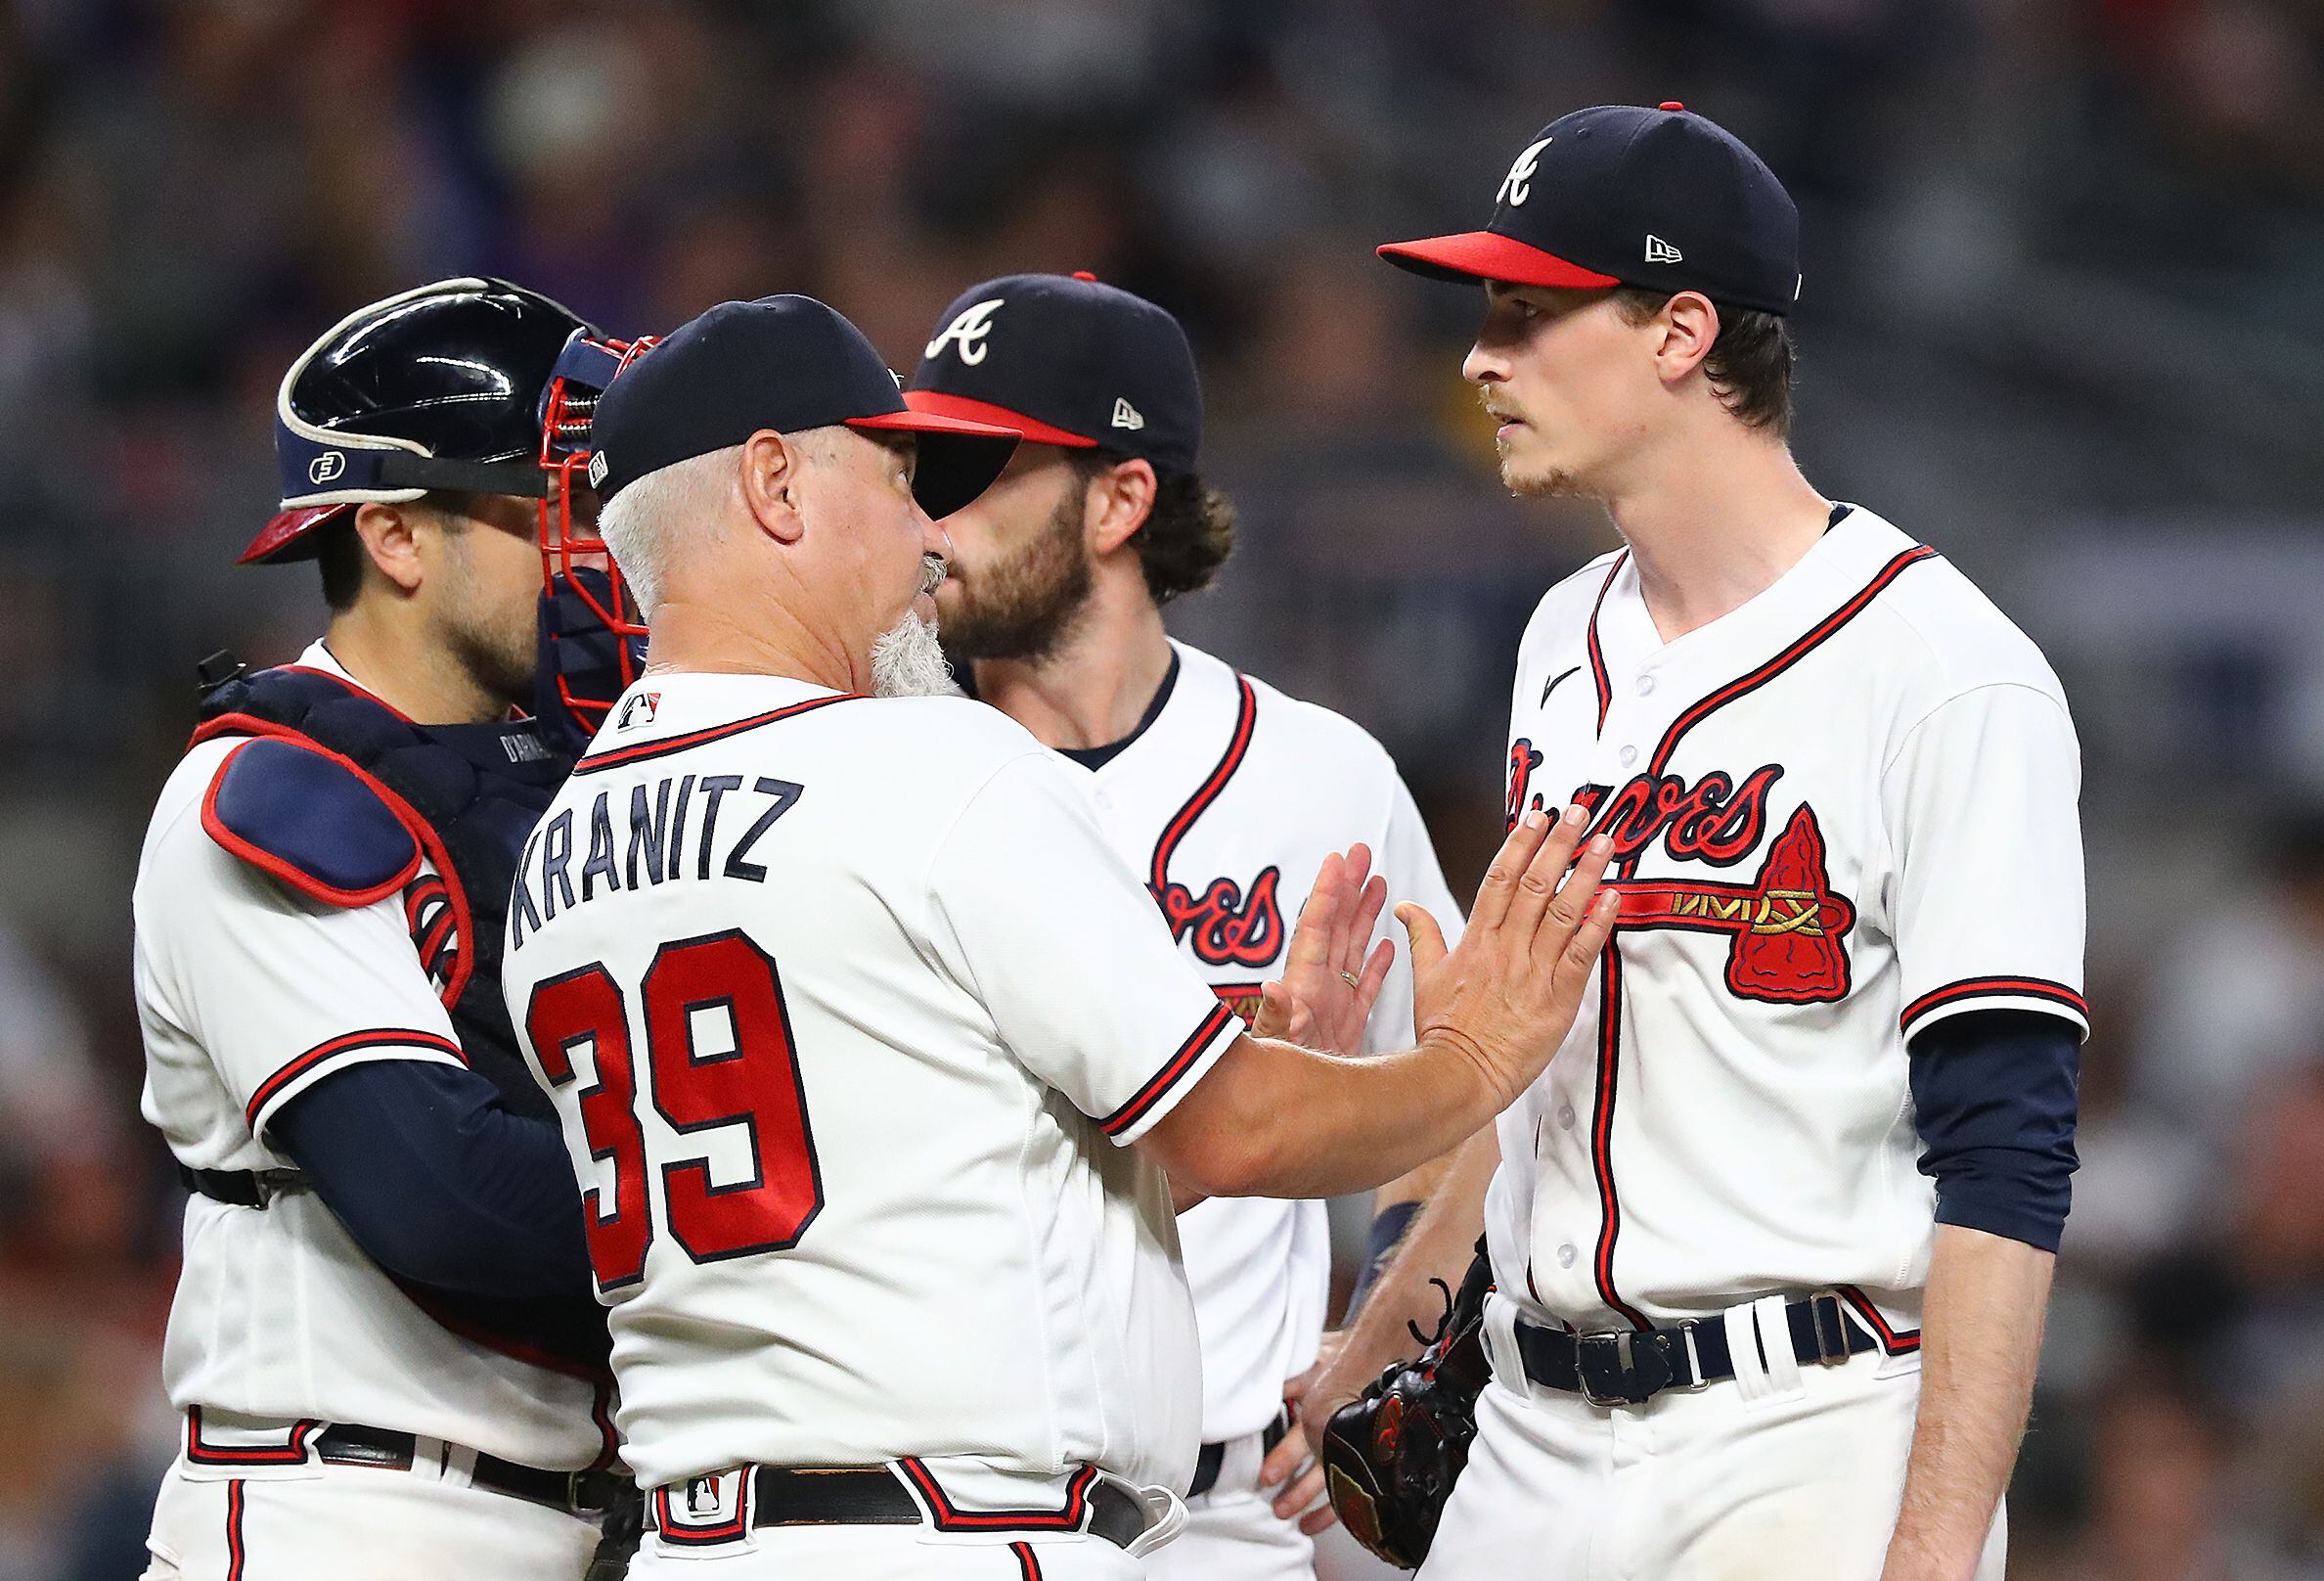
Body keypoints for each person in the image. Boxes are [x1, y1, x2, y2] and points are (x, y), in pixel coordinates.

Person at [502, 293, 1620, 1579]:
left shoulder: (562, 850)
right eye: (895, 474)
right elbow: (1231, 1125)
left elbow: (904, 1186)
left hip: (700, 1541)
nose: (926, 533)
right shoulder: (927, 763)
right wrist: (1476, 1061)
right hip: (956, 1534)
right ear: (775, 486)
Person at [1325, 102, 2087, 1579]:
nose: (1482, 357)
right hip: (1531, 1435)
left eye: (1532, 312)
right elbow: (1534, 1084)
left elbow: (2007, 1161)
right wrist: (1388, 1329)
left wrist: (1933, 1550)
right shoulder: (1560, 639)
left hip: (1805, 1430)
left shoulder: (1944, 670)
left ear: (1681, 332)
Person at [902, 270, 1466, 1580]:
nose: (932, 516)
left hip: (1226, 1522)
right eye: (921, 472)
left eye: (979, 471)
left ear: (1121, 497)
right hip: (941, 1504)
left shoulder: (1316, 778)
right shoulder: (881, 772)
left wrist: (1387, 1329)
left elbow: (1452, 1105)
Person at [133, 278, 648, 1580]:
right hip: (352, 1512)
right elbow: (444, 1192)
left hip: (586, 1516)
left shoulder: (587, 773)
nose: (595, 548)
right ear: (398, 538)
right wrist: (784, 1197)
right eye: (553, 507)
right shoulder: (258, 794)